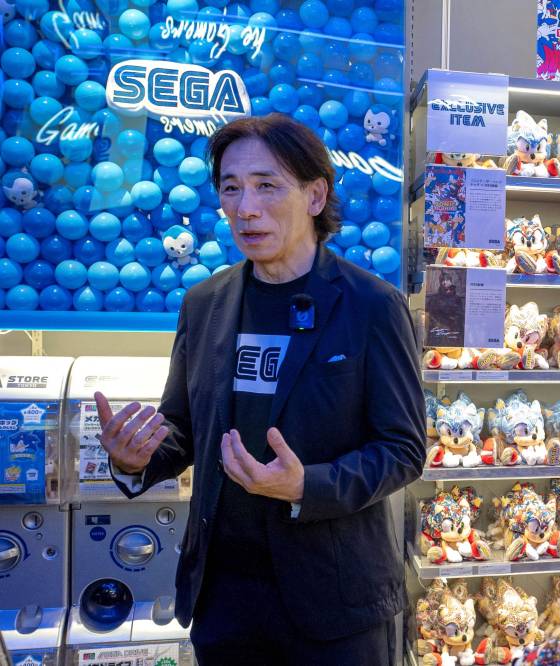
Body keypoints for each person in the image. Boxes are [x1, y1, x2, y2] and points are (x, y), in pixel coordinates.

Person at [94, 114, 425, 665]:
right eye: (231, 187)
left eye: (267, 185)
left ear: (316, 195)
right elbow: (182, 430)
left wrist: (306, 486)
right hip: (224, 600)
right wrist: (135, 459)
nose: (245, 207)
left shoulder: (371, 306)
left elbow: (403, 450)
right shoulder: (205, 304)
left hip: (334, 604)